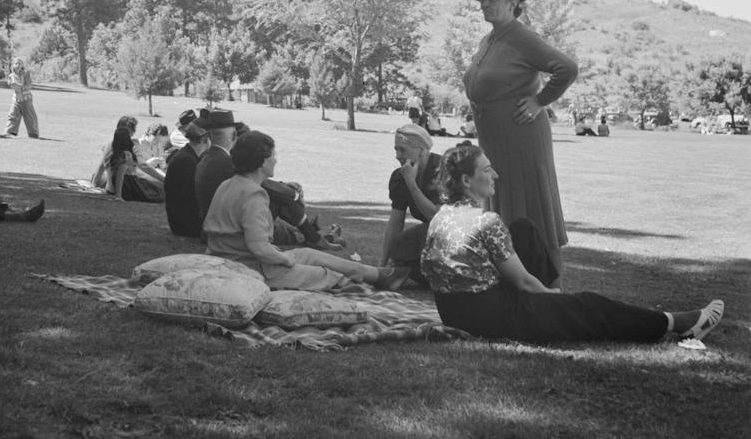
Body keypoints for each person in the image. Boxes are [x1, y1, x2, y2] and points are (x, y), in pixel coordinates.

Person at [421, 143, 725, 343]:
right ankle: (675, 323)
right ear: (465, 181)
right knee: (589, 306)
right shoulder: (485, 222)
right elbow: (526, 284)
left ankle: (555, 308)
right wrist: (550, 296)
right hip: (491, 318)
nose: (495, 174)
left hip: (455, 311)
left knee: (523, 229)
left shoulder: (439, 218)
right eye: (487, 170)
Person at [464, 0, 578, 279]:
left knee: (532, 208)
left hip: (522, 140)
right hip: (495, 143)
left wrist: (540, 101)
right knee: (502, 207)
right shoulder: (489, 40)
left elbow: (565, 68)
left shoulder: (521, 37)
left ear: (513, 2)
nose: (485, 4)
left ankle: (551, 287)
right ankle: (514, 280)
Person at [204, 131, 409, 292]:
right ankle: (364, 281)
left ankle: (381, 275)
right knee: (325, 274)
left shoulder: (227, 185)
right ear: (261, 161)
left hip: (235, 261)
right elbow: (258, 247)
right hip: (253, 269)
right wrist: (285, 259)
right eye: (273, 155)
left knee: (310, 254)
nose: (276, 160)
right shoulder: (253, 195)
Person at [195, 109, 338, 248]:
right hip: (226, 230)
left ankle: (310, 234)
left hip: (217, 224)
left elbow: (257, 182)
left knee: (278, 199)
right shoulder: (225, 162)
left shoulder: (207, 158)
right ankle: (311, 236)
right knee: (280, 199)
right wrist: (292, 193)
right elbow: (259, 185)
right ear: (233, 136)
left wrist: (285, 188)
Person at [379, 124, 442, 282]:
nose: (397, 155)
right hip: (430, 236)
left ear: (421, 150)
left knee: (420, 238)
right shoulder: (401, 177)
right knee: (400, 249)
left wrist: (411, 184)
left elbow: (438, 218)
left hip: (451, 234)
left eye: (402, 150)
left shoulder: (442, 171)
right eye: (396, 149)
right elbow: (395, 222)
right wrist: (382, 265)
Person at [164, 122, 211, 237]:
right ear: (204, 139)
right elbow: (195, 197)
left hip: (182, 221)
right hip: (186, 224)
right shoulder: (187, 161)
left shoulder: (187, 156)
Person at [0, 58, 38, 138]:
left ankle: (33, 134)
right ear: (13, 65)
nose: (18, 65)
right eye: (16, 63)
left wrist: (20, 86)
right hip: (16, 99)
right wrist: (14, 85)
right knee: (12, 115)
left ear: (22, 65)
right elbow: (11, 85)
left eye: (20, 63)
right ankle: (9, 132)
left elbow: (29, 86)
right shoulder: (11, 76)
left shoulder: (26, 74)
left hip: (26, 98)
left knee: (29, 116)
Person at [109, 116, 139, 202]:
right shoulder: (125, 155)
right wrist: (118, 196)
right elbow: (121, 173)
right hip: (127, 187)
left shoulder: (115, 155)